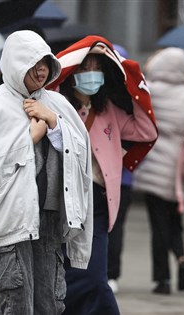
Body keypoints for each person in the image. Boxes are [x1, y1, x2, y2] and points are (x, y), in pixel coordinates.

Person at [0, 30, 93, 315]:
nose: (41, 70)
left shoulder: (57, 105)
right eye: (33, 63)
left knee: (50, 306)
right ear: (16, 64)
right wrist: (29, 138)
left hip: (50, 223)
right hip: (8, 227)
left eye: (45, 63)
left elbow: (81, 165)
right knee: (17, 305)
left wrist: (55, 124)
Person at [48, 35, 158, 314]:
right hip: (61, 202)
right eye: (84, 69)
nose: (91, 75)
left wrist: (133, 88)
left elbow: (146, 131)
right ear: (72, 74)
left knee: (94, 278)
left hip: (96, 204)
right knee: (63, 274)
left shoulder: (109, 110)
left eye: (97, 68)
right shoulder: (58, 106)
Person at [132, 47, 184, 295]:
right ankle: (182, 259)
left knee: (158, 226)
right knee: (175, 222)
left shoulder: (152, 90)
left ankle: (162, 280)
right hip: (181, 169)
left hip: (155, 165)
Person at [107, 44, 133, 294]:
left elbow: (144, 137)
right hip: (103, 178)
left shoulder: (131, 100)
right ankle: (107, 273)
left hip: (121, 178)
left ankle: (111, 272)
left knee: (114, 227)